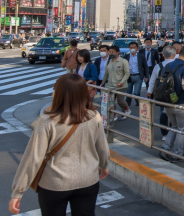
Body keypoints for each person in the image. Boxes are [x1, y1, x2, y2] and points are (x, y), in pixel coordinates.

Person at [9, 74, 110, 216]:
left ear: (58, 93)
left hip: (54, 184)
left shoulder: (47, 121)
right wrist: (104, 165)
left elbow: (33, 158)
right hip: (88, 180)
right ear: (83, 93)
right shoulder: (94, 116)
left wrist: (18, 191)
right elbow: (102, 147)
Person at [100, 45, 131, 122]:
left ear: (118, 52)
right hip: (110, 85)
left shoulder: (124, 61)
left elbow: (127, 73)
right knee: (111, 101)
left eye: (112, 52)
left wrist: (122, 82)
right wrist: (103, 83)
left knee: (120, 101)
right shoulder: (109, 61)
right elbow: (106, 73)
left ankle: (127, 109)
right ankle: (114, 115)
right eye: (109, 52)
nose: (111, 53)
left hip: (121, 85)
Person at [125, 41, 150, 107]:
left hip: (138, 76)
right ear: (129, 48)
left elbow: (145, 67)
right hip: (129, 77)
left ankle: (138, 102)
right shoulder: (126, 56)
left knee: (136, 92)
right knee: (128, 93)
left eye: (134, 47)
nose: (132, 49)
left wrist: (146, 76)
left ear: (137, 48)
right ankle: (127, 107)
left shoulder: (141, 56)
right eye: (131, 47)